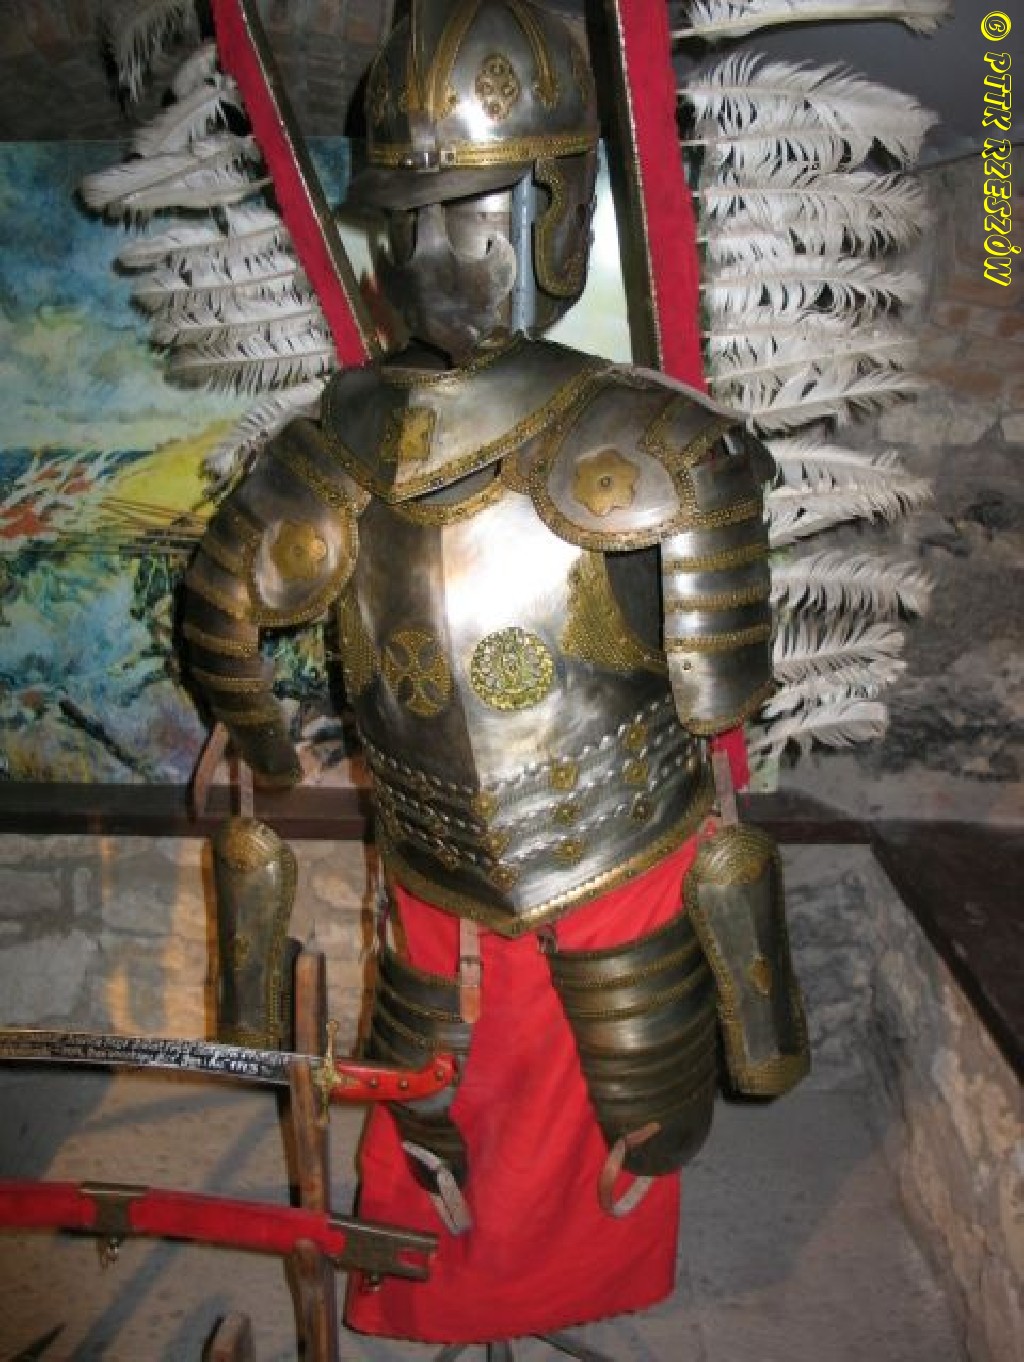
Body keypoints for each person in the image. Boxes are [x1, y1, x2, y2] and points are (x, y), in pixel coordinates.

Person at [180, 0, 808, 1344]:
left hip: (577, 846)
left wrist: (266, 748)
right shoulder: (635, 442)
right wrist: (263, 752)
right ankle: (475, 1283)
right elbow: (721, 696)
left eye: (456, 214)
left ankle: (533, 1276)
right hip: (481, 852)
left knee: (600, 1099)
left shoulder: (378, 438)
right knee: (441, 1097)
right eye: (420, 220)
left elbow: (224, 628)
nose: (437, 251)